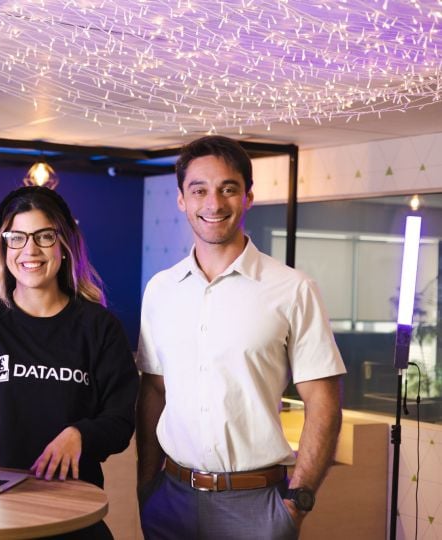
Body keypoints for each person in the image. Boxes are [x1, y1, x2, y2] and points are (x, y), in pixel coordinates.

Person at [136, 135, 346, 539]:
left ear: (248, 197)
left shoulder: (292, 288)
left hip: (258, 507)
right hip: (171, 500)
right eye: (199, 190)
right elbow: (153, 392)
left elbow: (324, 403)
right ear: (182, 199)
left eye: (228, 189)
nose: (213, 204)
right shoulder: (161, 289)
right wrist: (147, 486)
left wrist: (296, 503)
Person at [0, 186, 138, 539]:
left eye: (44, 236)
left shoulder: (100, 328)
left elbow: (120, 422)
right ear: (2, 246)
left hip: (73, 516)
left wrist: (81, 435)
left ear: (65, 244)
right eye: (17, 238)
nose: (30, 250)